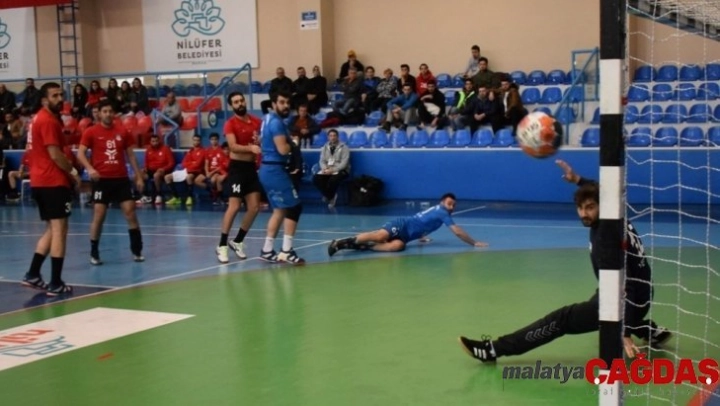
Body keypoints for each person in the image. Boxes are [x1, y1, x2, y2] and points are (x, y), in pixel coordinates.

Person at [457, 160, 672, 363]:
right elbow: (598, 190)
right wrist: (578, 180)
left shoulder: (606, 239)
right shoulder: (615, 212)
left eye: (590, 208)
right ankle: (649, 330)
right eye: (580, 208)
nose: (584, 214)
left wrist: (623, 332)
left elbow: (625, 287)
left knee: (562, 319)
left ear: (601, 205)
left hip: (623, 298)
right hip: (643, 293)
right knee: (597, 308)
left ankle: (494, 350)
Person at [21, 82, 80, 296]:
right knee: (60, 230)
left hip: (39, 180)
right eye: (54, 95)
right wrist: (73, 172)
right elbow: (55, 154)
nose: (60, 99)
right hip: (52, 181)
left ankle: (33, 274)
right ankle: (56, 282)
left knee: (52, 228)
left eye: (61, 95)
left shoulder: (37, 118)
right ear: (44, 100)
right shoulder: (47, 120)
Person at [76, 99, 145, 265]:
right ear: (99, 114)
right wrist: (90, 169)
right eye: (104, 111)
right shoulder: (91, 132)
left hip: (121, 179)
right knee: (99, 214)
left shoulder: (123, 131)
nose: (108, 114)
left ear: (114, 113)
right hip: (102, 180)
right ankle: (94, 252)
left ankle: (137, 251)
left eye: (110, 111)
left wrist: (138, 176)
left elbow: (131, 155)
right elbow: (80, 154)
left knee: (130, 212)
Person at [328, 193, 488, 255]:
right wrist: (474, 243)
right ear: (442, 203)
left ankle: (361, 246)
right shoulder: (442, 212)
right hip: (402, 224)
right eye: (449, 204)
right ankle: (341, 242)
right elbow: (457, 231)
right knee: (380, 236)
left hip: (406, 236)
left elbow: (424, 221)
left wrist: (421, 236)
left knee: (397, 247)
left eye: (454, 205)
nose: (451, 207)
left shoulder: (438, 211)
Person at [257, 91, 305, 264]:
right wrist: (293, 144)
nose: (286, 106)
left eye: (287, 102)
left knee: (280, 210)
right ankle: (286, 250)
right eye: (282, 102)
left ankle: (267, 250)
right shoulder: (276, 122)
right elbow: (283, 150)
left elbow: (262, 140)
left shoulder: (267, 118)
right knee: (294, 207)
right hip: (274, 170)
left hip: (266, 169)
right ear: (274, 103)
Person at [216, 92, 263, 263]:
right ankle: (222, 245)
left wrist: (260, 141)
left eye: (241, 100)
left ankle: (237, 241)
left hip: (251, 169)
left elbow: (261, 140)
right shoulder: (230, 124)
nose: (240, 103)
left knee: (254, 207)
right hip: (237, 169)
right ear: (232, 106)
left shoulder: (256, 122)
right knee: (234, 206)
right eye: (236, 102)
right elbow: (233, 146)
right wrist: (250, 148)